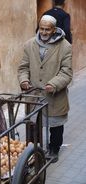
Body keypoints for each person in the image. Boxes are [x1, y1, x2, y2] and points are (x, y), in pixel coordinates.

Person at [18, 15, 73, 163]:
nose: (43, 32)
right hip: (34, 95)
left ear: (54, 29)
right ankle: (32, 151)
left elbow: (66, 72)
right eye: (41, 28)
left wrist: (54, 84)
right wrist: (24, 80)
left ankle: (54, 149)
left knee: (55, 126)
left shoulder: (65, 46)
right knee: (32, 125)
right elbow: (23, 67)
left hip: (54, 95)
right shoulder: (29, 44)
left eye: (47, 29)